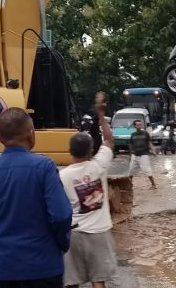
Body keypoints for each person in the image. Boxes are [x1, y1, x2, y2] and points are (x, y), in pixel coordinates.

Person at [0, 108, 72, 287]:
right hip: (44, 268)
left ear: (0, 138)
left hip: (2, 270)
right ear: (31, 134)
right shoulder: (44, 167)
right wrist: (61, 244)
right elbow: (61, 215)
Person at [60, 92, 118, 288]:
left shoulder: (63, 176)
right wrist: (101, 115)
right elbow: (109, 141)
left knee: (72, 281)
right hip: (99, 233)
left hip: (74, 233)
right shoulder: (98, 165)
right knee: (98, 280)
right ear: (91, 150)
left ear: (70, 152)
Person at [128, 120, 157, 189]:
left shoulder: (145, 133)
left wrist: (153, 150)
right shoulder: (133, 135)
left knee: (147, 170)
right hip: (135, 155)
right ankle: (129, 185)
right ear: (134, 126)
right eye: (137, 125)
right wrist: (130, 154)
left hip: (144, 154)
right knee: (131, 171)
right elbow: (130, 145)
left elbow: (149, 142)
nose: (139, 126)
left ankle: (153, 184)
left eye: (140, 125)